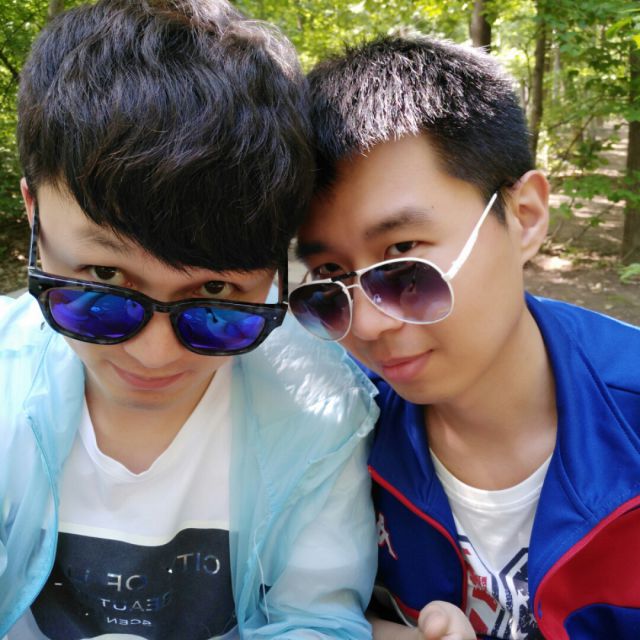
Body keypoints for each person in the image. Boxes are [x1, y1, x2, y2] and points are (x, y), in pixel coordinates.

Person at [0, 1, 381, 638]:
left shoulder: (317, 407)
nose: (155, 354)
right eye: (104, 279)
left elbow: (315, 616)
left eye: (215, 293)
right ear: (35, 212)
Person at [288, 35, 640, 640]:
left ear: (524, 217)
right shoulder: (334, 429)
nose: (367, 324)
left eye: (403, 256)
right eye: (330, 277)